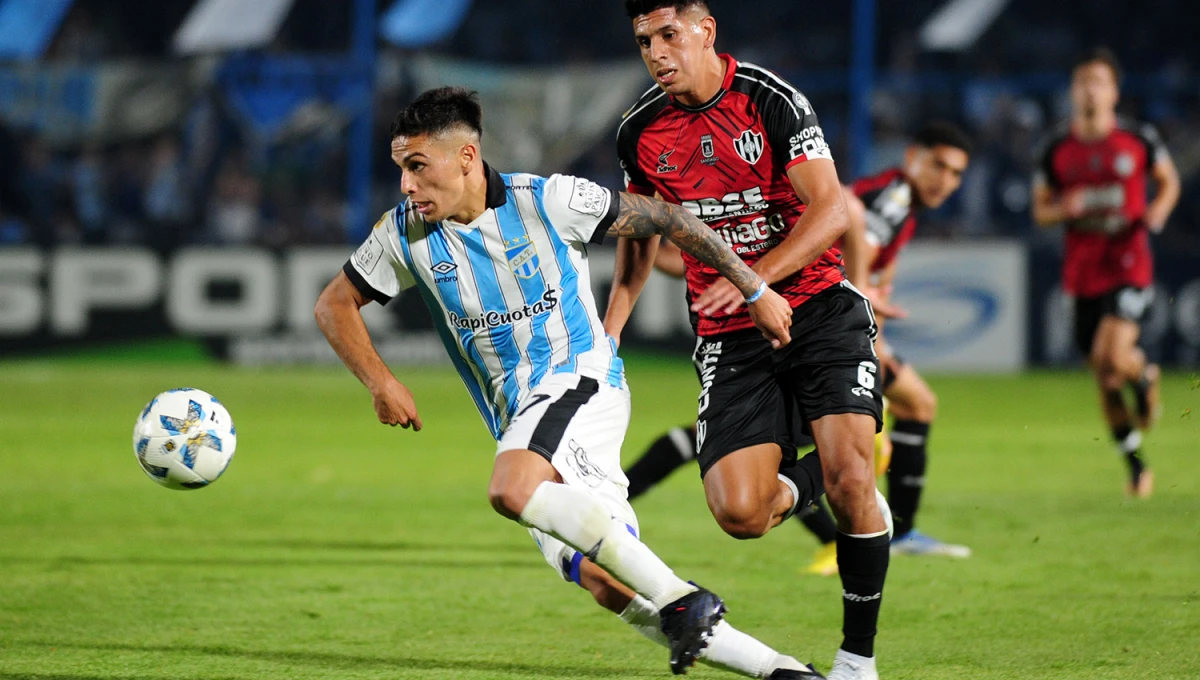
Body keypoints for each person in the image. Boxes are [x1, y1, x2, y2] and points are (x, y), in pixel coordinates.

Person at [315, 86, 824, 679]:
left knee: (510, 490)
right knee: (611, 585)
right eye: (401, 169)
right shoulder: (404, 233)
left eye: (418, 167)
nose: (406, 185)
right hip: (521, 417)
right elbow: (334, 304)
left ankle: (686, 599)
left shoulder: (548, 200)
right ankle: (783, 672)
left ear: (467, 157)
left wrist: (751, 288)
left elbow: (662, 217)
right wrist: (380, 382)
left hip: (577, 380)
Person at [607, 3, 892, 678]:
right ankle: (821, 465)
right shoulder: (639, 131)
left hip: (819, 308)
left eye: (668, 35)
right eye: (645, 40)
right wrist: (610, 330)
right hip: (729, 335)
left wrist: (753, 279)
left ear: (706, 31)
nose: (656, 52)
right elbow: (643, 231)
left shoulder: (771, 102)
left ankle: (857, 660)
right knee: (742, 513)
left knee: (855, 482)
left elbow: (830, 209)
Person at [1032, 48, 1179, 498]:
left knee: (1111, 356)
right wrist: (1062, 209)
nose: (1089, 89)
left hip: (1128, 264)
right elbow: (1041, 211)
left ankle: (1141, 374)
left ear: (1114, 91)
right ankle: (1136, 463)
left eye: (1098, 81)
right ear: (1073, 92)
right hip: (1082, 273)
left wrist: (1157, 211)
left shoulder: (1138, 139)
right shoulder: (1055, 148)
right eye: (1082, 82)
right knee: (1105, 374)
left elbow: (1168, 180)